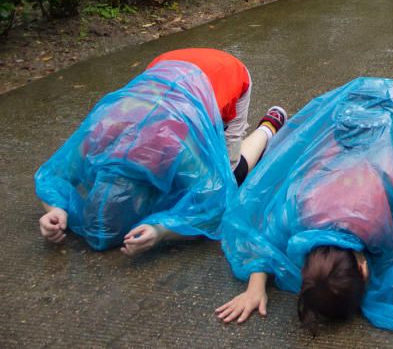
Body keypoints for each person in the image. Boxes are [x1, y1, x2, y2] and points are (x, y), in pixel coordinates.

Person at [215, 78, 393, 343]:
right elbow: (263, 236)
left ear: (364, 267)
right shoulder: (300, 211)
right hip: (349, 114)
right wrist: (256, 286)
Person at [36, 48, 286, 253]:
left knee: (231, 175)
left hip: (225, 72)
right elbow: (51, 176)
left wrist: (162, 232)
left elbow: (217, 199)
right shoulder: (96, 135)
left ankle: (269, 126)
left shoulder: (179, 148)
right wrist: (56, 209)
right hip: (167, 64)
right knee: (190, 181)